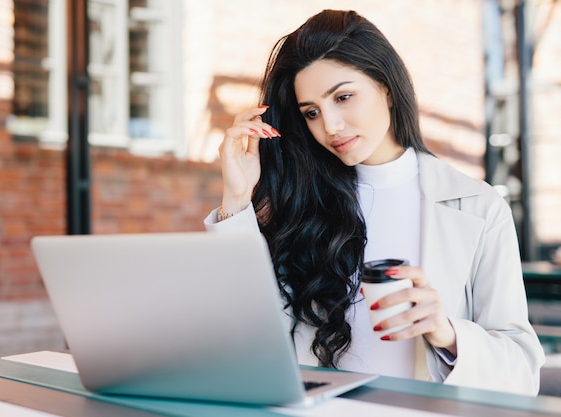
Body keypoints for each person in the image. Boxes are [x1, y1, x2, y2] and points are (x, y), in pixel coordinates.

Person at [204, 9, 544, 395]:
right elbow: (238, 335)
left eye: (343, 97)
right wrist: (236, 196)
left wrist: (447, 332)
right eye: (311, 113)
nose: (330, 126)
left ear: (385, 86)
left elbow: (522, 372)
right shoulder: (297, 204)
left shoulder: (477, 206)